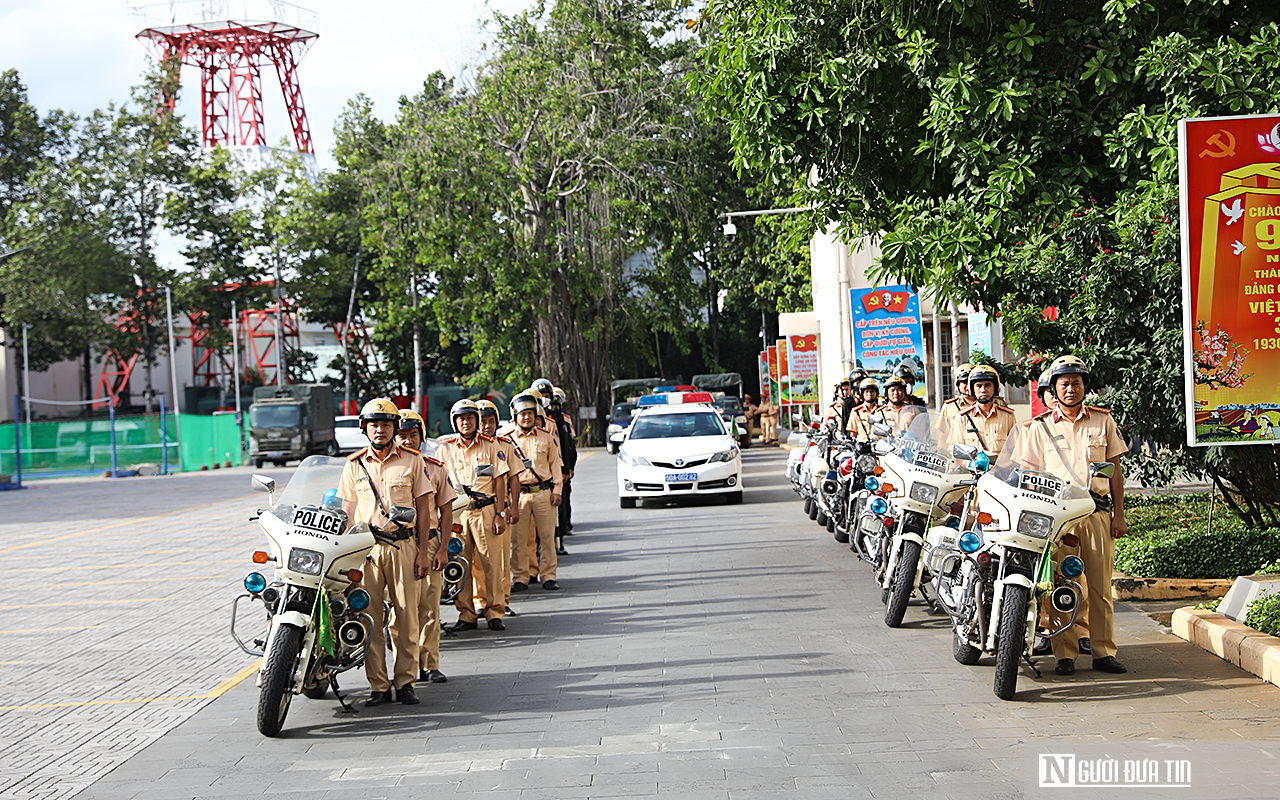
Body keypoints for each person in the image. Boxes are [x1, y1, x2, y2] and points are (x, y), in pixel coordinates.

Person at [1018, 355, 1128, 676]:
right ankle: (1064, 653)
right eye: (1064, 384)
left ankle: (1103, 652)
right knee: (1059, 585)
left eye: (1076, 383)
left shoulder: (1103, 421)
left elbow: (1116, 472)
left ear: (1085, 388)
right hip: (1058, 515)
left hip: (1096, 511)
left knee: (1100, 586)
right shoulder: (1040, 428)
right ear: (1054, 388)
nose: (1070, 389)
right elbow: (1030, 472)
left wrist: (1119, 515)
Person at [336, 398, 440, 706]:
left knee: (407, 616)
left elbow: (423, 508)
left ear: (394, 428)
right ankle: (378, 685)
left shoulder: (412, 461)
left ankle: (405, 681)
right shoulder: (354, 464)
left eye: (385, 425)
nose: (379, 430)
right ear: (364, 428)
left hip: (403, 546)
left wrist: (423, 552)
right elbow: (347, 512)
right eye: (374, 425)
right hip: (366, 550)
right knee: (369, 617)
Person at [390, 408, 457, 685]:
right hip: (398, 544)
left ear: (422, 437)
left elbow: (446, 510)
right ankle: (404, 666)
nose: (407, 441)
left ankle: (430, 663)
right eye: (401, 436)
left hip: (427, 543)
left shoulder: (435, 468)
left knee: (429, 605)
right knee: (399, 610)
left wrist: (442, 548)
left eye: (413, 435)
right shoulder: (387, 468)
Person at [438, 399, 510, 631]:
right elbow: (437, 483)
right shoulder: (445, 448)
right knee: (460, 565)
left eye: (470, 418)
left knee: (491, 565)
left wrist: (500, 513)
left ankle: (494, 612)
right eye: (461, 418)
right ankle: (466, 614)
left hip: (486, 512)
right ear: (454, 422)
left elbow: (500, 481)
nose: (465, 422)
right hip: (458, 516)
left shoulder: (490, 445)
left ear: (476, 421)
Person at [507, 391, 565, 591]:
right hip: (519, 496)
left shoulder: (546, 437)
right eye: (522, 414)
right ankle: (521, 577)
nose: (527, 417)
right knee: (519, 539)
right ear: (515, 416)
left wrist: (557, 490)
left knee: (547, 538)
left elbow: (555, 465)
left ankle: (548, 576)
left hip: (543, 493)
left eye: (530, 413)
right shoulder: (506, 440)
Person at [476, 399, 521, 615]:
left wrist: (511, 508)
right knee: (476, 561)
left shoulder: (505, 445)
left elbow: (513, 479)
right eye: (482, 421)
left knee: (500, 559)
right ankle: (479, 601)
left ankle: (502, 601)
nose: (486, 426)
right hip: (471, 512)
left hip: (497, 508)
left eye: (491, 421)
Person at [947, 365, 1017, 456]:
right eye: (979, 386)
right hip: (972, 470)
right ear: (972, 389)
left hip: (999, 470)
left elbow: (1015, 451)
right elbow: (955, 452)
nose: (983, 390)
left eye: (988, 385)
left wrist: (1000, 467)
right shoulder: (962, 417)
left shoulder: (1008, 416)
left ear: (995, 388)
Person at [548, 388, 577, 551]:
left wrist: (568, 467)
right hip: (539, 476)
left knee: (562, 503)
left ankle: (561, 536)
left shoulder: (561, 422)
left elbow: (567, 446)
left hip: (558, 470)